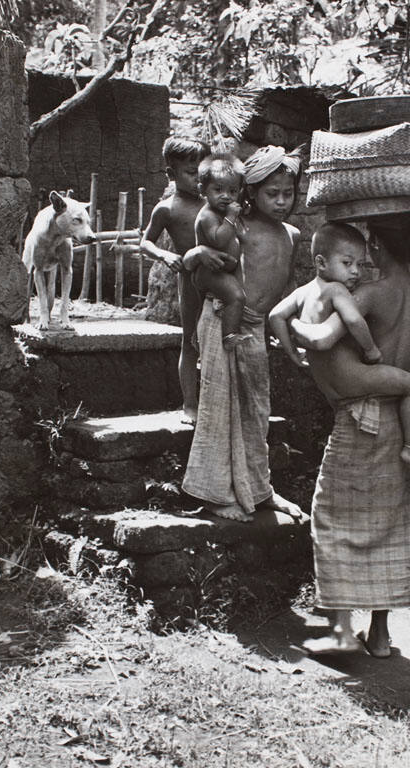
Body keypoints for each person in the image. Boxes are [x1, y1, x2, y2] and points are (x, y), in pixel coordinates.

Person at [288, 213, 410, 657]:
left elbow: (322, 339)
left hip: (362, 416)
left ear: (375, 247)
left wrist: (290, 325)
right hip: (402, 417)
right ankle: (379, 635)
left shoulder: (372, 294)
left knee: (335, 516)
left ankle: (340, 631)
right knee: (390, 525)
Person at [181, 145, 304, 522]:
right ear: (250, 192)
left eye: (288, 193)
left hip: (254, 329)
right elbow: (194, 267)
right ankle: (215, 493)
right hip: (224, 320)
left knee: (256, 410)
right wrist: (197, 254)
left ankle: (259, 489)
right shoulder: (237, 228)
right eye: (272, 193)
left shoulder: (293, 234)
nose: (282, 202)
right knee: (219, 405)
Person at [269, 222, 410, 476]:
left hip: (359, 404)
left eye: (360, 263)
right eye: (349, 264)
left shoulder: (365, 293)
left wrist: (292, 330)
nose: (356, 272)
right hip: (394, 409)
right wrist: (370, 350)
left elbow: (309, 333)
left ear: (375, 245)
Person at [140, 136, 210, 425]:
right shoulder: (167, 208)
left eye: (204, 172)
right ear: (171, 174)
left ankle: (219, 400)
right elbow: (145, 243)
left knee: (222, 339)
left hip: (222, 278)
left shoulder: (215, 203)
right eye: (191, 174)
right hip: (191, 281)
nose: (199, 179)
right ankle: (190, 404)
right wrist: (165, 256)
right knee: (190, 343)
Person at [193, 153, 253, 350]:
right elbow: (218, 239)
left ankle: (202, 334)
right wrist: (231, 217)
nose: (226, 196)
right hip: (209, 272)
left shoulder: (222, 211)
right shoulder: (208, 215)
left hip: (222, 270)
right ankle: (229, 337)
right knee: (237, 297)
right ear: (203, 189)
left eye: (233, 191)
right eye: (218, 190)